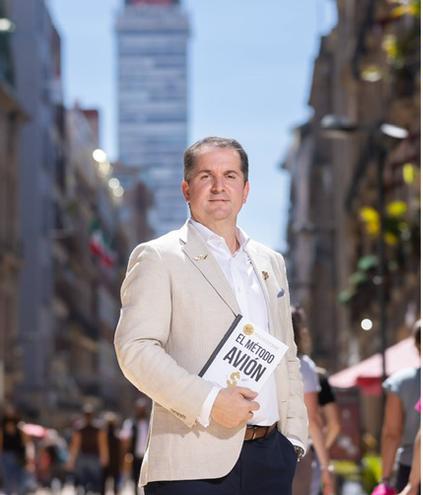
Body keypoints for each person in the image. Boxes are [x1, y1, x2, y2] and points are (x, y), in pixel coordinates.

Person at [114, 136, 308, 494]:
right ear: (186, 190)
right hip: (190, 464)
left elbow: (288, 354)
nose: (219, 187)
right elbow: (135, 349)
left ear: (246, 190)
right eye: (206, 176)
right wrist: (209, 401)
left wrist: (293, 437)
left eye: (230, 176)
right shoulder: (159, 256)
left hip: (270, 459)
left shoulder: (271, 262)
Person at [290, 308, 335, 495]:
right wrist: (325, 468)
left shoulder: (262, 360)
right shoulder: (303, 365)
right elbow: (313, 421)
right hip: (296, 452)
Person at [378, 322, 421, 493]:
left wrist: (385, 478)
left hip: (409, 466)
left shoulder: (400, 383)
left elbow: (392, 434)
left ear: (416, 345)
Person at [65, 406, 108, 495]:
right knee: (94, 483)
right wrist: (104, 458)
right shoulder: (97, 429)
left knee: (83, 483)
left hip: (84, 458)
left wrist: (71, 460)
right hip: (93, 458)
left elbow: (75, 446)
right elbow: (102, 445)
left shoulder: (80, 429)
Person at [1, 406, 34, 495]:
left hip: (18, 456)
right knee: (8, 479)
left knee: (19, 479)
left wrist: (28, 458)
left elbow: (27, 443)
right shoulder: (2, 426)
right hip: (6, 456)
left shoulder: (20, 427)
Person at [119, 398, 149, 493]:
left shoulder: (149, 423)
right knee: (135, 478)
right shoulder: (130, 423)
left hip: (147, 456)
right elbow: (125, 439)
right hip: (134, 456)